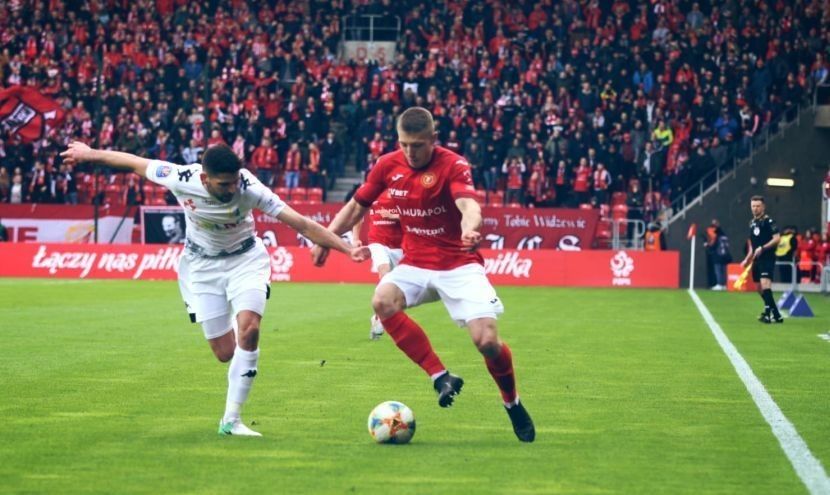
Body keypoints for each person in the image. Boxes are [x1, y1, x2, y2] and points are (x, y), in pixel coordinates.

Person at [61, 141, 365, 437]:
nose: (232, 189)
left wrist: (347, 248)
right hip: (202, 267)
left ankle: (231, 420)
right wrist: (89, 154)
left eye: (234, 182)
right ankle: (237, 325)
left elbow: (302, 224)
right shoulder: (181, 178)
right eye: (224, 184)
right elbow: (133, 162)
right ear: (205, 179)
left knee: (250, 330)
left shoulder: (250, 188)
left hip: (246, 260)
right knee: (225, 353)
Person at [312, 107, 535, 442]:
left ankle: (512, 402)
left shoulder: (453, 164)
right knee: (382, 301)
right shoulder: (387, 165)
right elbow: (357, 206)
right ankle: (440, 377)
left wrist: (470, 228)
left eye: (417, 145)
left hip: (459, 264)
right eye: (404, 144)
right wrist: (325, 239)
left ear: (433, 138)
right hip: (415, 263)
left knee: (487, 342)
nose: (410, 152)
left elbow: (469, 206)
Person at [351, 190, 403, 340]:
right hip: (377, 242)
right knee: (384, 271)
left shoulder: (403, 190)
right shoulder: (372, 191)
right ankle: (380, 313)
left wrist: (394, 216)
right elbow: (358, 214)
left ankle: (377, 317)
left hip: (400, 246)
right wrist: (355, 238)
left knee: (397, 290)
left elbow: (416, 217)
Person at [740, 195, 783, 323]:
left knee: (765, 284)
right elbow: (753, 246)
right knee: (759, 287)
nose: (755, 208)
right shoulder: (752, 223)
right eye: (753, 206)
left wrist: (763, 248)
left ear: (763, 207)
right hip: (757, 259)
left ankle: (767, 314)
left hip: (767, 257)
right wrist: (747, 259)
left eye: (758, 206)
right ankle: (776, 314)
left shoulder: (769, 221)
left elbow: (777, 238)